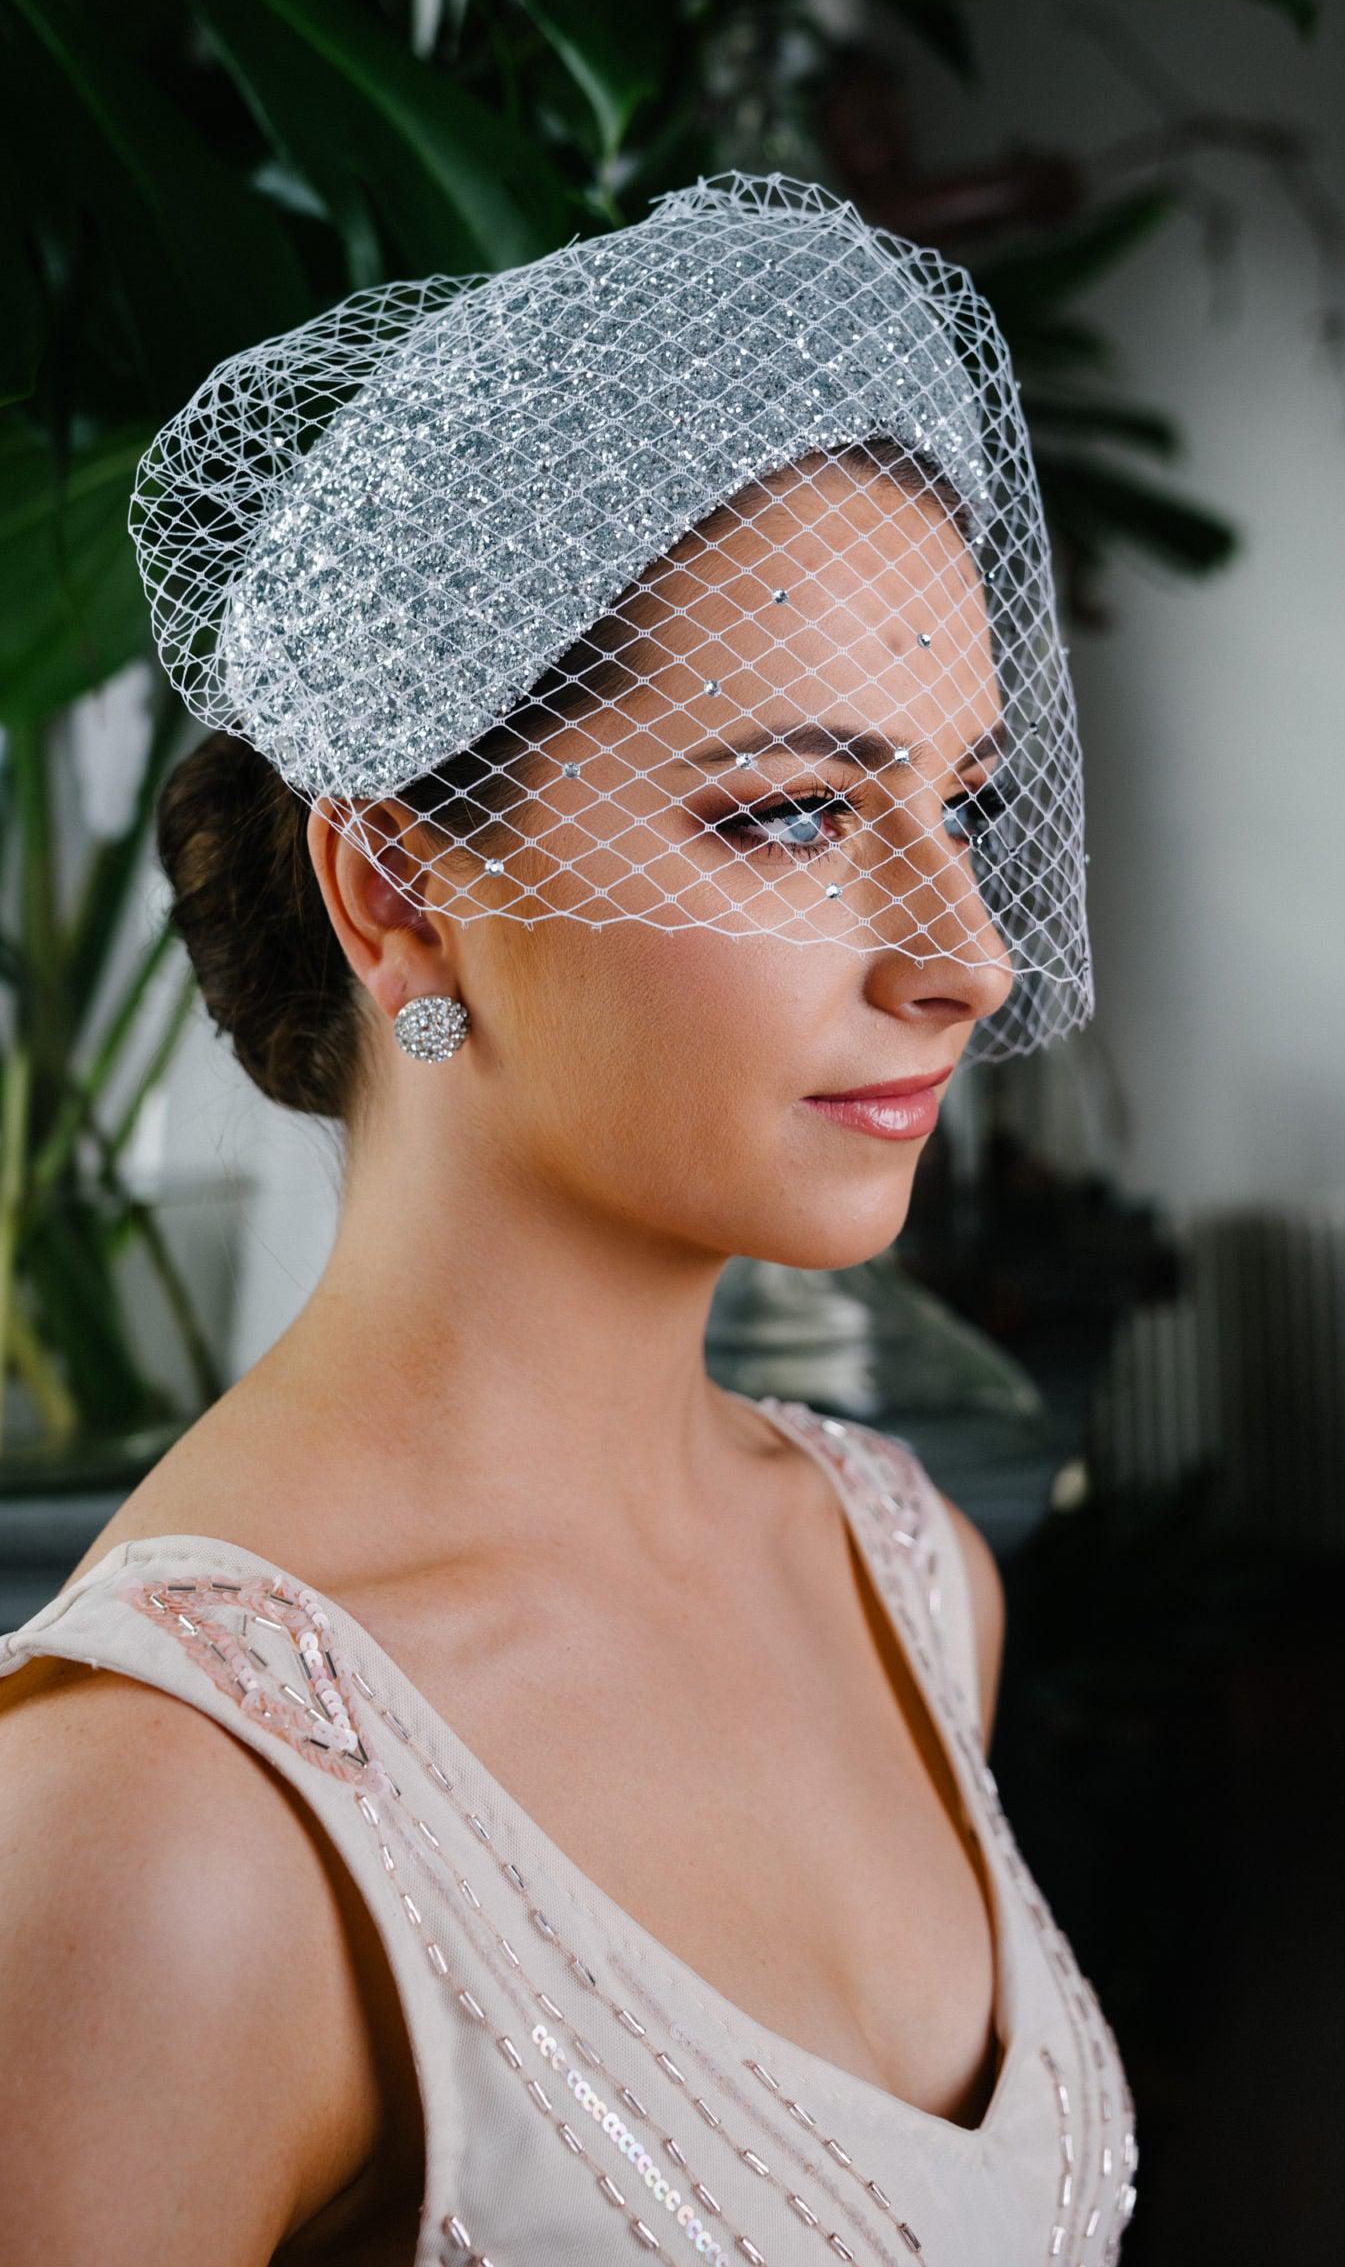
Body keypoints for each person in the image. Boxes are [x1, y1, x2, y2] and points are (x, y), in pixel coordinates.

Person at [0, 173, 1135, 2265]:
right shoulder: (156, 1834)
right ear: (397, 888)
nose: (964, 952)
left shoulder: (907, 1578)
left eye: (956, 800)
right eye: (793, 808)